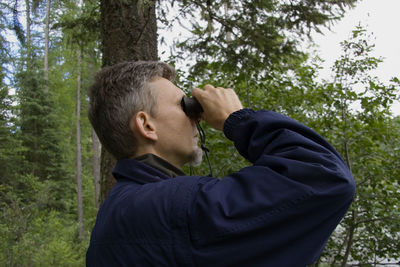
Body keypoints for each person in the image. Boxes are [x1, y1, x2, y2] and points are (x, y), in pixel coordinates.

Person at [86, 61, 355, 266]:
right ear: (147, 125)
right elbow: (326, 177)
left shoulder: (117, 212)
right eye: (184, 106)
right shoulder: (174, 208)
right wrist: (237, 118)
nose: (197, 118)